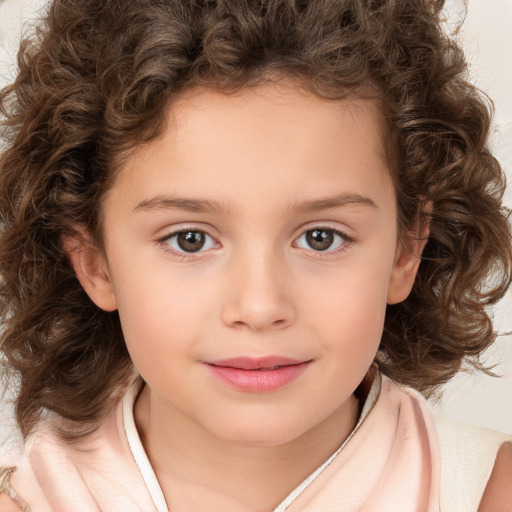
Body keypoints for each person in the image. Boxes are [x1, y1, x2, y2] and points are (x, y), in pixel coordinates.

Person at [0, 0, 511, 510]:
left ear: (405, 251)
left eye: (321, 238)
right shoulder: (24, 498)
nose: (260, 306)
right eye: (190, 239)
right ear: (95, 262)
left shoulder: (489, 491)